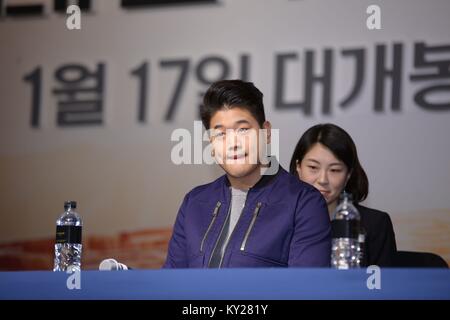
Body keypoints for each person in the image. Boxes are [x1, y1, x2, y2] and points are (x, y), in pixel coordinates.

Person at [163, 80, 331, 268]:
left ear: (266, 132)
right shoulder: (194, 203)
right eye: (220, 134)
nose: (233, 143)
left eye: (243, 130)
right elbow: (170, 285)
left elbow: (307, 290)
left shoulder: (303, 203)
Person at [289, 123, 397, 267]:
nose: (323, 180)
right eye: (313, 167)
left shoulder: (375, 224)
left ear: (348, 175)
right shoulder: (277, 220)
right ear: (298, 167)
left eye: (334, 170)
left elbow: (384, 286)